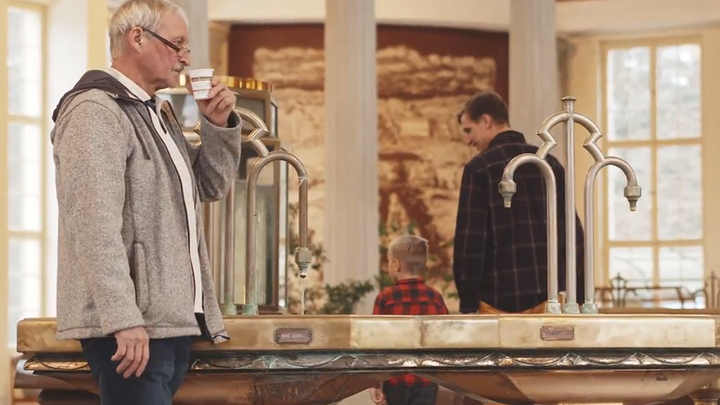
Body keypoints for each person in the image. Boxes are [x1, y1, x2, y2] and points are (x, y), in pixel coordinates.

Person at [51, 0, 242, 403]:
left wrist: (217, 124)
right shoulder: (94, 111)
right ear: (137, 38)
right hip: (130, 329)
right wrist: (123, 318)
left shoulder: (156, 113)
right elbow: (94, 225)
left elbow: (210, 186)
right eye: (177, 44)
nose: (185, 58)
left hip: (167, 323)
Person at [452, 90, 585, 314]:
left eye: (469, 130)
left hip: (498, 302)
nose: (468, 140)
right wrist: (578, 296)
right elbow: (572, 234)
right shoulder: (549, 164)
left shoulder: (479, 168)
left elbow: (471, 243)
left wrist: (468, 303)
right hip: (552, 300)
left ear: (486, 120)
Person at [369, 235, 449, 405]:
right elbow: (444, 338)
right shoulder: (435, 298)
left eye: (389, 260)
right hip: (427, 380)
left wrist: (374, 382)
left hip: (395, 381)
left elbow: (376, 344)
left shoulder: (385, 298)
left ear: (396, 264)